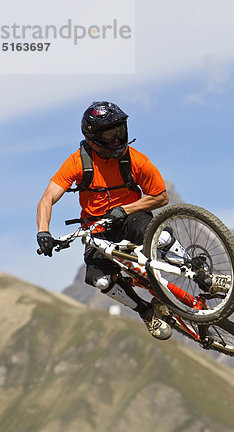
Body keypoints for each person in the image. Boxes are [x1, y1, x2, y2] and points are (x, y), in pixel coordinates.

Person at [36, 100, 175, 340]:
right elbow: (47, 198)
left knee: (160, 237)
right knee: (98, 280)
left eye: (119, 132)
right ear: (93, 137)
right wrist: (43, 231)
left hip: (132, 216)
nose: (117, 140)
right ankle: (146, 311)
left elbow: (161, 197)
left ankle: (200, 273)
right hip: (96, 228)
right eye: (109, 135)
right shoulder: (77, 163)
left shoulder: (136, 159)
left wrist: (126, 209)